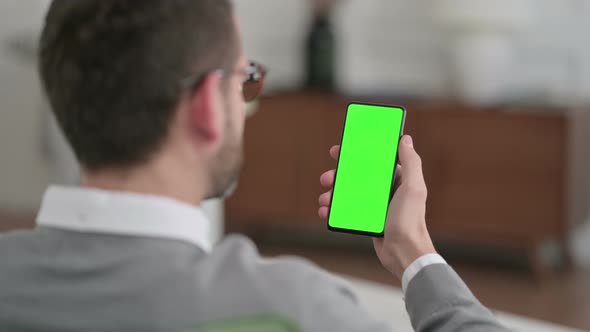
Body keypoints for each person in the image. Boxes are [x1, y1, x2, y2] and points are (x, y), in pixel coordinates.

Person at [0, 1, 510, 331]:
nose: (248, 101)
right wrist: (415, 252)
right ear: (206, 106)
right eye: (246, 78)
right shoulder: (295, 310)